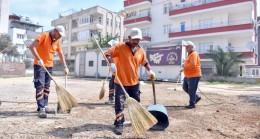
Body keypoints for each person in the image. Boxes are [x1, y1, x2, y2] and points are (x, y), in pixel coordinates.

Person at [104, 28, 155, 135]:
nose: (136, 42)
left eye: (138, 40)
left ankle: (136, 120)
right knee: (120, 104)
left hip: (134, 83)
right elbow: (107, 54)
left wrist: (150, 70)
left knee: (136, 102)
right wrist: (112, 63)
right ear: (129, 38)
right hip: (121, 82)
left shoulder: (140, 50)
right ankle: (119, 123)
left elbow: (144, 61)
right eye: (134, 40)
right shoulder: (120, 47)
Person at [29, 25, 69, 118]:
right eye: (59, 34)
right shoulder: (44, 35)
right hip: (39, 65)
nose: (60, 37)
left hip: (49, 66)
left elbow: (61, 53)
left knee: (47, 87)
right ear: (55, 31)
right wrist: (39, 59)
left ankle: (45, 106)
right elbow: (32, 47)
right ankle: (41, 108)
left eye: (61, 35)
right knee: (40, 86)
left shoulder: (57, 42)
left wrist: (65, 66)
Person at [181, 41, 202, 109]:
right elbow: (189, 63)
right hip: (188, 75)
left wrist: (185, 67)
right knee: (185, 87)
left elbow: (193, 64)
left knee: (191, 90)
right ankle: (196, 97)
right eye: (186, 47)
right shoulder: (189, 55)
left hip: (194, 75)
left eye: (187, 46)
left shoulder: (193, 54)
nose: (186, 48)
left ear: (191, 47)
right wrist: (184, 65)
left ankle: (192, 104)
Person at [105, 40, 119, 104]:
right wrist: (110, 64)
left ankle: (113, 98)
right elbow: (108, 56)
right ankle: (111, 98)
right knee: (112, 83)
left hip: (119, 71)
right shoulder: (113, 52)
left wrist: (112, 63)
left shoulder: (118, 51)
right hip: (115, 71)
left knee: (114, 84)